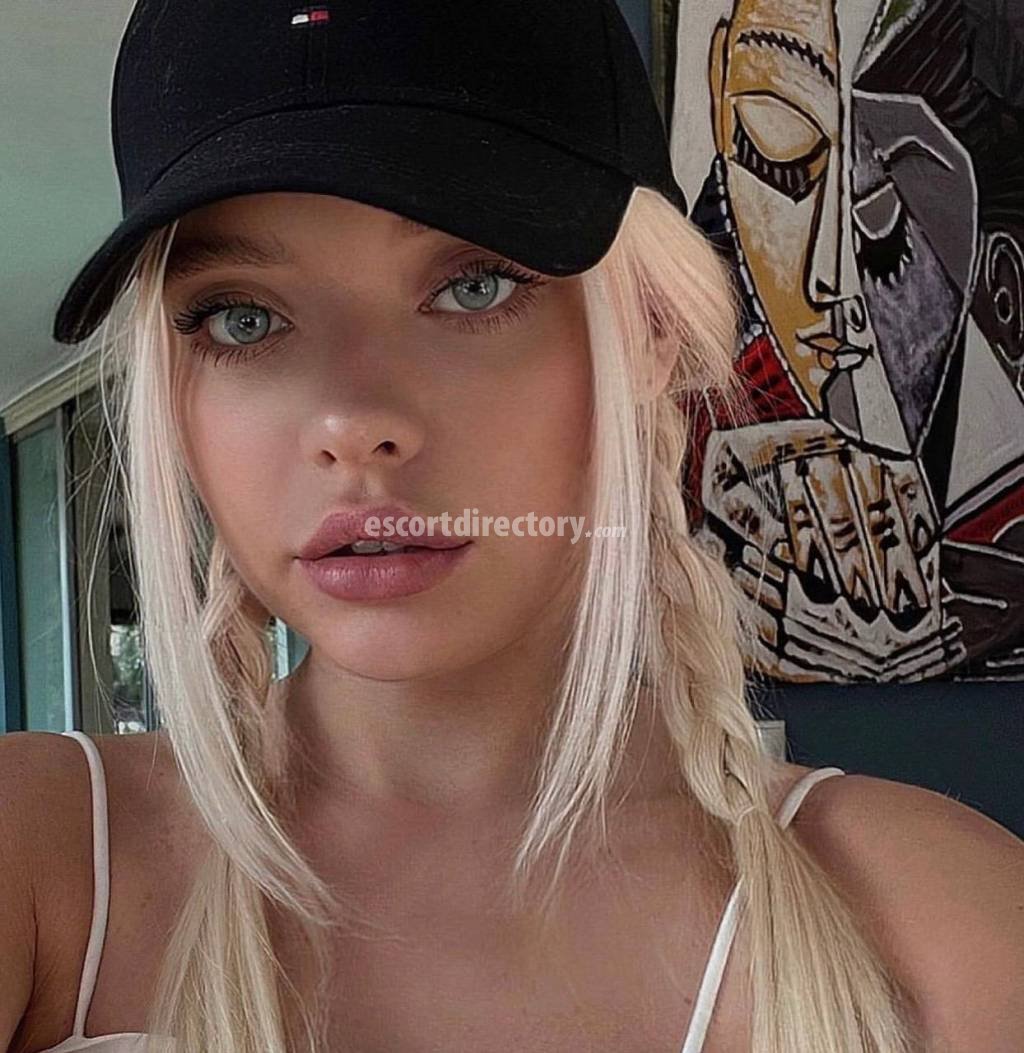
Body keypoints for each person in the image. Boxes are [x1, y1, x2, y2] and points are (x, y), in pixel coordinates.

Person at [3, 2, 1023, 1052]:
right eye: (243, 318)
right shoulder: (36, 857)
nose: (351, 421)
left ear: (649, 333)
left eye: (473, 288)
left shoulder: (946, 932)